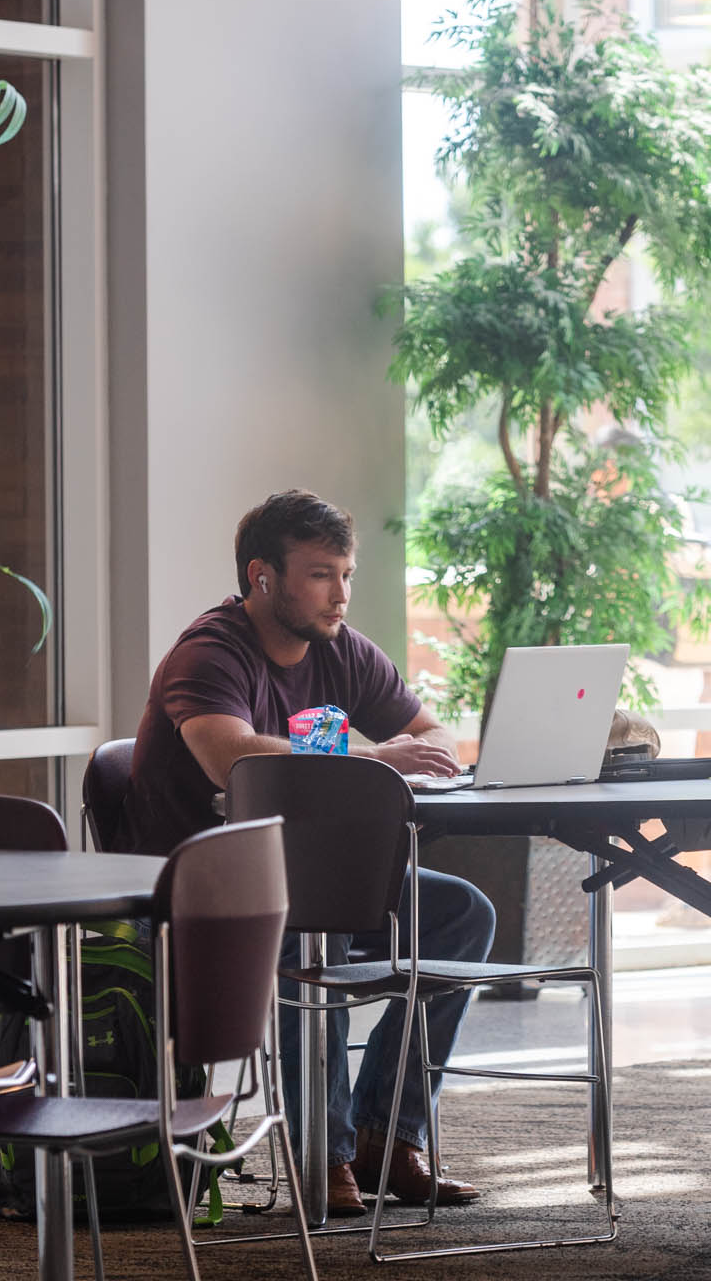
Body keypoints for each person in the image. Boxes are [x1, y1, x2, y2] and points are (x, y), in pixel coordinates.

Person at [126, 489, 492, 1215]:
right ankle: (320, 1157)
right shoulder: (209, 652)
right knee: (307, 935)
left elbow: (433, 738)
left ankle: (387, 1138)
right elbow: (230, 755)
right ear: (263, 577)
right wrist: (372, 756)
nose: (341, 595)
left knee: (460, 915)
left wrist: (403, 755)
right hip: (205, 893)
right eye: (322, 574)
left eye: (347, 574)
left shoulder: (342, 651)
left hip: (309, 875)